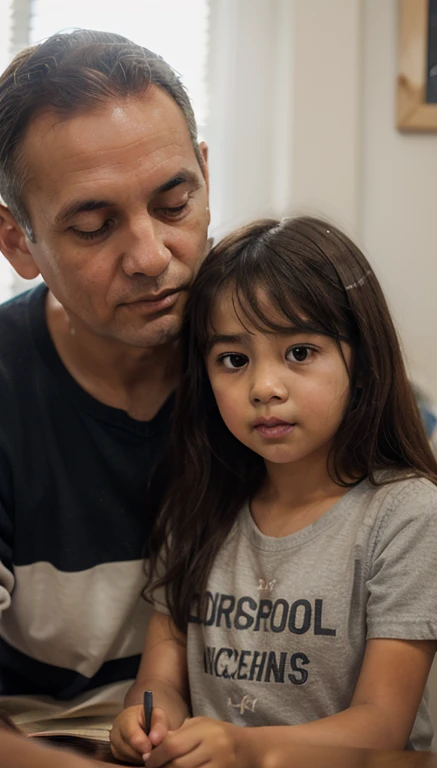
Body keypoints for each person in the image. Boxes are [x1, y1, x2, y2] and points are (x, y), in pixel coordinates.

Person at [110, 217, 437, 767]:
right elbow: (162, 682)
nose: (264, 388)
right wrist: (148, 719)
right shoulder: (199, 505)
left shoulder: (406, 514)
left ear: (364, 357)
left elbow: (382, 724)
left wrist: (241, 747)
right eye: (234, 360)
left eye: (300, 353)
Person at [0, 29, 209, 731]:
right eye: (94, 225)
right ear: (18, 243)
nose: (151, 256)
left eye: (175, 204)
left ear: (205, 173)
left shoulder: (276, 362)